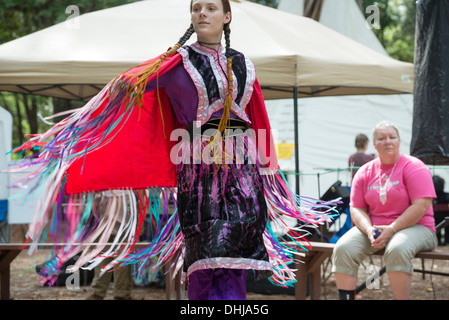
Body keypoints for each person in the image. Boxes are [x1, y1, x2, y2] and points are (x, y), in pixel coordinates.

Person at [11, 0, 333, 300]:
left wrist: (268, 172)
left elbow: (257, 117)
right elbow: (127, 86)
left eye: (210, 8)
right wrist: (86, 126)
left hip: (241, 170)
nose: (202, 14)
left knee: (237, 253)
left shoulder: (243, 64)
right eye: (196, 9)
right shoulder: (177, 63)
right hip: (199, 171)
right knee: (205, 254)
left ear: (227, 16)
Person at [332, 120, 438, 300]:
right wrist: (368, 229)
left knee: (397, 248)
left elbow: (421, 206)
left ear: (399, 141)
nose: (387, 141)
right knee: (343, 248)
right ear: (373, 144)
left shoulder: (414, 166)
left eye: (392, 137)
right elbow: (356, 208)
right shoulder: (364, 171)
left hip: (418, 228)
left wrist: (393, 229)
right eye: (381, 138)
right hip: (375, 229)